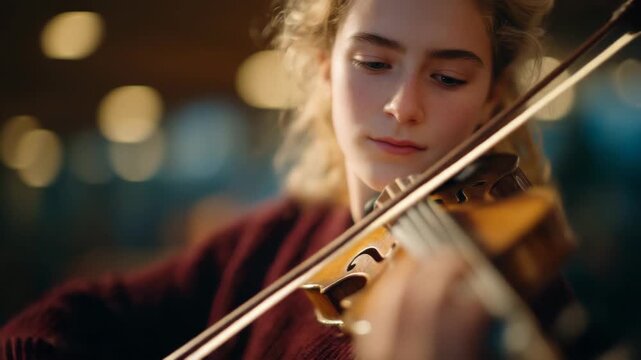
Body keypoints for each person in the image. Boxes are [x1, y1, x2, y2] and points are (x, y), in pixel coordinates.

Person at [0, 0, 567, 359]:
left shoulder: (500, 288)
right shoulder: (275, 239)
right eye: (373, 64)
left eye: (447, 77)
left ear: (492, 96)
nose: (403, 105)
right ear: (325, 67)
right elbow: (77, 314)